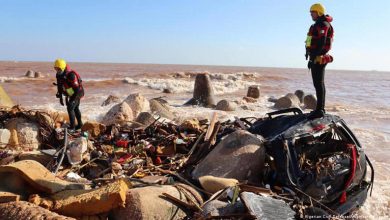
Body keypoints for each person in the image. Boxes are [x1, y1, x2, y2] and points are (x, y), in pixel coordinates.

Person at [305, 3, 334, 119]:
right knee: (317, 83)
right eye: (311, 12)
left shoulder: (323, 24)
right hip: (314, 57)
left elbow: (322, 43)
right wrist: (309, 55)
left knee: (319, 83)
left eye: (313, 12)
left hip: (320, 57)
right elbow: (309, 41)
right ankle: (319, 109)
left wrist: (313, 57)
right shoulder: (315, 25)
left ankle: (320, 110)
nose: (311, 14)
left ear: (319, 12)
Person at [54, 59, 84, 130]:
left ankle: (72, 127)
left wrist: (72, 100)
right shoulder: (58, 75)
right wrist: (60, 97)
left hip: (78, 92)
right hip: (71, 92)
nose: (57, 71)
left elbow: (76, 89)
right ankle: (80, 125)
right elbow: (59, 86)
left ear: (63, 68)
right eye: (56, 69)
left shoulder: (71, 75)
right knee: (75, 108)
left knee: (70, 108)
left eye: (59, 69)